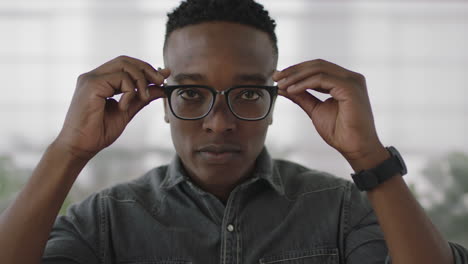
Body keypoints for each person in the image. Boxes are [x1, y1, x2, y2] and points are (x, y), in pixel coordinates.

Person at [1, 0, 467, 263]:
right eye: (190, 94)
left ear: (272, 104)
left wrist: (368, 154)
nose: (219, 123)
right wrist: (68, 150)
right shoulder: (105, 221)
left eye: (246, 94)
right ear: (162, 104)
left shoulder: (340, 210)